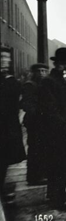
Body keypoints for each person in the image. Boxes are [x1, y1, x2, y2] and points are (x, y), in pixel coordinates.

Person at [38, 47, 66, 211]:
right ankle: (56, 201)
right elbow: (50, 110)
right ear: (61, 64)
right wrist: (63, 128)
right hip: (57, 134)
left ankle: (58, 193)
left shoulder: (63, 80)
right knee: (58, 166)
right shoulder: (49, 82)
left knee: (62, 165)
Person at [0, 46, 26, 207]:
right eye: (2, 57)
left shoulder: (9, 80)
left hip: (6, 127)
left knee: (4, 160)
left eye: (7, 58)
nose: (6, 60)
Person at [22, 63, 50, 185]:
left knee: (42, 149)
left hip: (42, 123)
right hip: (34, 123)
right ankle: (33, 177)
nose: (42, 73)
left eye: (44, 71)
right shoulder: (30, 85)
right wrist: (38, 115)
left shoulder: (43, 85)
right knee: (34, 150)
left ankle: (40, 174)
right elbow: (26, 104)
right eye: (39, 71)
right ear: (33, 73)